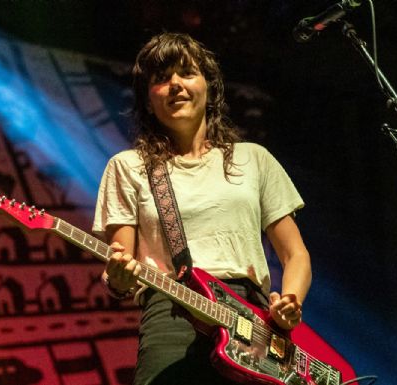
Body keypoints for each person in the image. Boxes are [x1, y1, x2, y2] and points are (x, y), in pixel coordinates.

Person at [93, 32, 311, 385]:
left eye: (186, 73)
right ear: (148, 100)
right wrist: (116, 279)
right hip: (172, 314)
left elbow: (295, 254)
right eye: (161, 79)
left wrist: (288, 303)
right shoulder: (128, 166)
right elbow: (120, 260)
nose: (175, 84)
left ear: (209, 87)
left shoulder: (253, 159)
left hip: (253, 320)